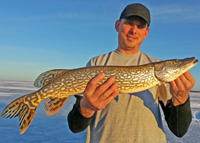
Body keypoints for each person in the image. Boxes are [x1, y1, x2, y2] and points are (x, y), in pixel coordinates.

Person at [67, 3, 194, 143]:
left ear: (146, 33)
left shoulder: (158, 70)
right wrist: (85, 108)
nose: (134, 30)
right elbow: (75, 127)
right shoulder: (96, 64)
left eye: (140, 26)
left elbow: (179, 130)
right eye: (129, 23)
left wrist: (181, 101)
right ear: (117, 25)